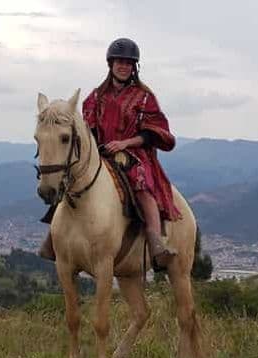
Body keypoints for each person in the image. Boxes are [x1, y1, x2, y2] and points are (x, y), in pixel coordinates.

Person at [39, 37, 181, 265]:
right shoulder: (95, 97)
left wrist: (125, 143)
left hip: (134, 153)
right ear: (111, 64)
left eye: (128, 63)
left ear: (134, 67)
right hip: (101, 152)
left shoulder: (145, 97)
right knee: (71, 177)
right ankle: (53, 237)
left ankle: (156, 242)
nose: (123, 66)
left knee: (141, 184)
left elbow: (153, 132)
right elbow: (88, 130)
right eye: (119, 62)